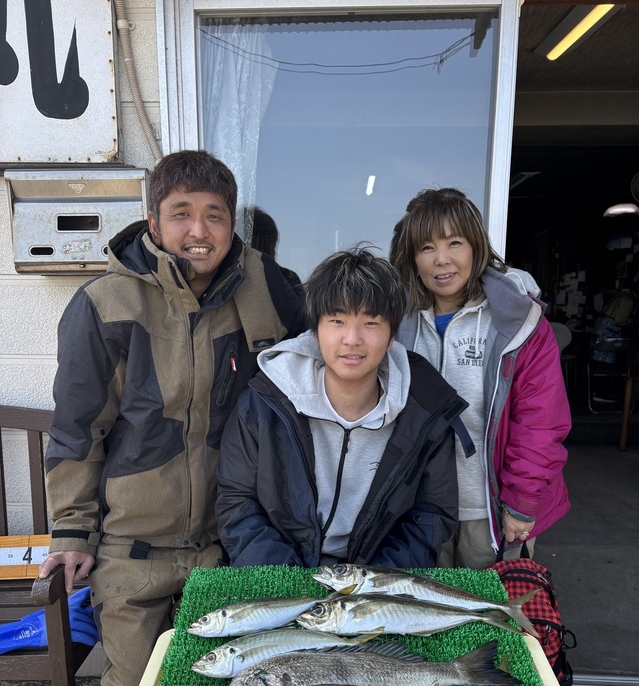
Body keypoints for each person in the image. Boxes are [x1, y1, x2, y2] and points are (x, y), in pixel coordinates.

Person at [38, 149, 306, 686]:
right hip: (133, 549)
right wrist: (72, 531)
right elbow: (78, 427)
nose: (199, 230)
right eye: (181, 213)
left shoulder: (269, 291)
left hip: (232, 544)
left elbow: (311, 400)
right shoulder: (105, 304)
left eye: (214, 214)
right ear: (154, 222)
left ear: (233, 224)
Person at [216, 245, 472, 569]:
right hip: (285, 573)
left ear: (392, 335)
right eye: (337, 320)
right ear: (316, 331)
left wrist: (369, 582)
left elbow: (431, 515)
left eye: (370, 323)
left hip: (376, 580)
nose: (352, 339)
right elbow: (236, 502)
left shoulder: (425, 411)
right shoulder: (264, 402)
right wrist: (289, 579)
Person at [391, 187, 571, 569]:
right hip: (418, 505)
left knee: (490, 616)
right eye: (426, 248)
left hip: (489, 508)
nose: (442, 260)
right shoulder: (395, 322)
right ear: (412, 258)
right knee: (427, 615)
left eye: (454, 242)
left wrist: (521, 504)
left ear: (476, 247)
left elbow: (540, 422)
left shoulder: (517, 323)